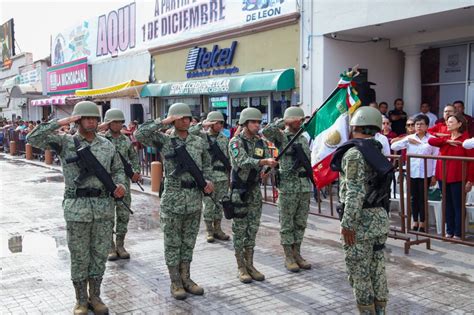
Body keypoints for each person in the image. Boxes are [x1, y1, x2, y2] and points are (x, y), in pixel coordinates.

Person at [26, 101, 126, 315]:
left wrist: (120, 186)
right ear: (78, 119)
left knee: (99, 254)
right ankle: (81, 300)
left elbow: (117, 169)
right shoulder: (65, 142)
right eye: (87, 117)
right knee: (80, 256)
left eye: (94, 118)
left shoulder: (107, 145)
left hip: (103, 208)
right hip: (77, 208)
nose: (91, 121)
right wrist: (63, 121)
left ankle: (95, 296)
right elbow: (33, 138)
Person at [134, 103, 213, 300]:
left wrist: (209, 181)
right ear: (174, 119)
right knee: (172, 242)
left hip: (194, 197)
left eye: (188, 118)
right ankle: (175, 281)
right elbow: (140, 135)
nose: (186, 120)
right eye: (181, 117)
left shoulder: (198, 141)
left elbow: (207, 165)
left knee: (188, 242)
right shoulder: (165, 140)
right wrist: (164, 121)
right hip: (173, 198)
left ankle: (187, 278)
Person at [330, 106, 390, 314]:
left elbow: (354, 192)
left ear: (355, 126)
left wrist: (347, 225)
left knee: (360, 273)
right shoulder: (376, 150)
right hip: (378, 219)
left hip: (361, 223)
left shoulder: (354, 153)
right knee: (377, 270)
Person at [229, 107, 278, 283]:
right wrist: (263, 162)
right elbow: (241, 161)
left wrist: (267, 169)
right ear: (245, 123)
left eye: (259, 122)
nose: (257, 125)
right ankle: (241, 267)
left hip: (255, 192)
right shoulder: (235, 142)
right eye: (254, 122)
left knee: (252, 229)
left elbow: (268, 159)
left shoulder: (260, 142)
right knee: (240, 230)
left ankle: (250, 264)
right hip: (239, 192)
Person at [262, 107, 312, 273]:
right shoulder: (282, 136)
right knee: (287, 223)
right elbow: (266, 131)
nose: (301, 122)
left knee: (300, 223)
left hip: (304, 186)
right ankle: (288, 256)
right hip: (288, 187)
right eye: (298, 119)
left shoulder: (303, 139)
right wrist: (285, 121)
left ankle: (297, 253)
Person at [100, 109, 141, 261]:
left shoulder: (126, 140)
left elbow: (134, 157)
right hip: (106, 182)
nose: (118, 125)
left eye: (120, 122)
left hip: (123, 182)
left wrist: (136, 171)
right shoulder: (101, 139)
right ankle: (110, 246)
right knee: (108, 215)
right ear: (108, 123)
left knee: (123, 215)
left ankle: (120, 244)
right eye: (114, 122)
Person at [428, 113, 474, 239]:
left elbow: (471, 161)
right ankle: (449, 230)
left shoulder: (466, 140)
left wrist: (470, 180)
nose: (448, 123)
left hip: (458, 177)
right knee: (447, 204)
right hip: (443, 176)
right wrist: (446, 140)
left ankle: (458, 233)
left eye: (451, 122)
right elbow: (430, 140)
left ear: (459, 124)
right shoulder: (445, 139)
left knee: (458, 205)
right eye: (447, 122)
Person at [391, 114, 438, 232]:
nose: (419, 126)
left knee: (422, 198)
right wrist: (406, 139)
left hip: (425, 173)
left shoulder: (431, 139)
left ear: (427, 126)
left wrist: (434, 175)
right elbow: (393, 145)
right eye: (417, 124)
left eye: (422, 124)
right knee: (413, 198)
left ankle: (423, 222)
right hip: (412, 172)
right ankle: (414, 220)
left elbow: (436, 158)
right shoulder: (410, 138)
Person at [189, 111, 231, 243]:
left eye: (221, 123)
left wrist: (229, 178)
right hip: (208, 177)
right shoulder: (201, 137)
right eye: (216, 122)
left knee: (220, 204)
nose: (219, 125)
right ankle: (209, 231)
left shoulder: (224, 139)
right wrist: (203, 124)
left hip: (222, 177)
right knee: (208, 205)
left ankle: (218, 229)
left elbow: (228, 159)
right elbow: (189, 132)